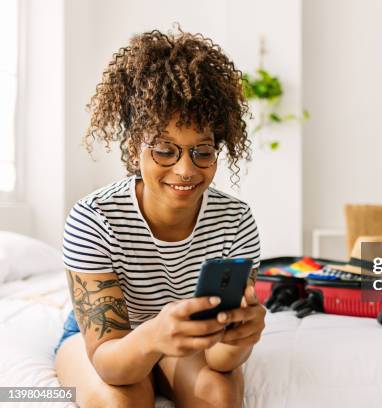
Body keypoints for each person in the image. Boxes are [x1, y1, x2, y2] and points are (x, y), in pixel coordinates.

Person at [54, 27, 265, 408]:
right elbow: (110, 364)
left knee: (219, 396)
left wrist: (239, 340)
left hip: (186, 340)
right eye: (165, 150)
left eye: (202, 152)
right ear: (136, 149)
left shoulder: (234, 219)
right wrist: (152, 336)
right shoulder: (94, 218)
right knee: (124, 400)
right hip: (110, 344)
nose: (186, 170)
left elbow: (219, 361)